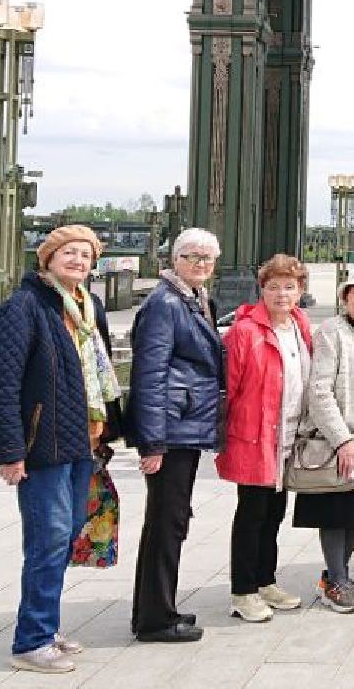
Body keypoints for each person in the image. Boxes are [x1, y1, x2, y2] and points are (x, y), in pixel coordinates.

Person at [0, 225, 123, 674]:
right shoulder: (23, 308)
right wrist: (9, 452)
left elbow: (97, 372)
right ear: (48, 258)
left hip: (80, 441)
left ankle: (46, 627)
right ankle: (31, 641)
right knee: (49, 538)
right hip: (42, 445)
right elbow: (0, 386)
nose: (78, 260)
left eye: (85, 254)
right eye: (68, 252)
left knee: (66, 533)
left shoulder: (86, 307)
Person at [126, 227, 224, 644]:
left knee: (171, 520)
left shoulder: (194, 299)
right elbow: (149, 375)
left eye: (207, 258)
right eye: (192, 256)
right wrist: (152, 442)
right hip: (172, 429)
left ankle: (158, 607)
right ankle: (155, 619)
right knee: (166, 523)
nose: (200, 263)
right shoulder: (164, 304)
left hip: (185, 425)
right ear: (175, 259)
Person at [216, 254, 313, 622]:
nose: (281, 294)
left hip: (288, 435)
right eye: (273, 287)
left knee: (274, 512)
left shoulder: (300, 324)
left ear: (300, 290)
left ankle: (265, 580)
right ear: (262, 290)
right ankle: (243, 591)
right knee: (252, 513)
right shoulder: (245, 331)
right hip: (255, 435)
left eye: (289, 286)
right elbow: (228, 387)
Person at [292, 265, 354, 614]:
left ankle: (338, 575)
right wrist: (341, 439)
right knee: (338, 511)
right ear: (345, 298)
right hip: (344, 438)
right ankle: (335, 580)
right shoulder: (332, 331)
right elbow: (319, 390)